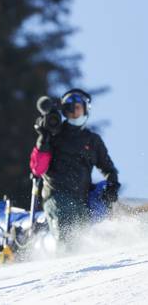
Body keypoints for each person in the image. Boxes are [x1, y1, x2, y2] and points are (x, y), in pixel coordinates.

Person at [29, 89, 120, 248]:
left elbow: (108, 169)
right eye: (69, 109)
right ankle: (63, 266)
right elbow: (38, 169)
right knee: (67, 241)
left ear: (85, 109)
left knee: (82, 243)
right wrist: (43, 140)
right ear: (64, 111)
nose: (74, 112)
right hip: (57, 196)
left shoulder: (92, 140)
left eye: (78, 107)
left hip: (81, 200)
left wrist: (112, 185)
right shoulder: (55, 134)